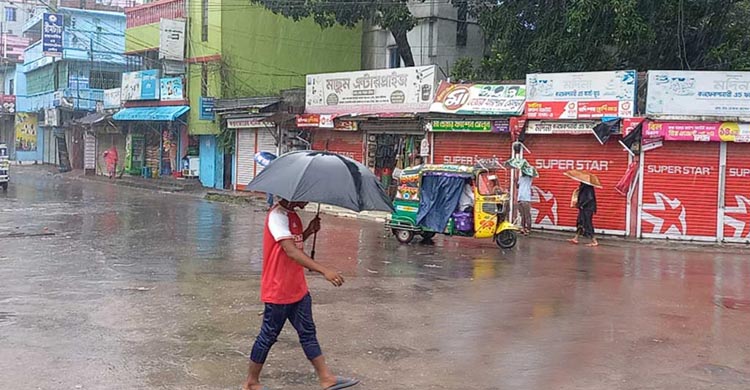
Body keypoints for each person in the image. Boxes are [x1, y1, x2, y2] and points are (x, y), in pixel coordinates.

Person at [242, 199, 359, 390]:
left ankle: (326, 378)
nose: (308, 200)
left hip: (297, 287)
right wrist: (324, 270)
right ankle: (251, 382)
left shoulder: (292, 216)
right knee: (268, 335)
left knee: (308, 333)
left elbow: (293, 245)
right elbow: (290, 252)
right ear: (292, 194)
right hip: (278, 289)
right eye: (304, 196)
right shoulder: (277, 216)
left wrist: (309, 232)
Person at [568, 183, 599, 247]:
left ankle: (594, 241)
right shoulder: (583, 186)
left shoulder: (588, 187)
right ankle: (576, 238)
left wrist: (582, 205)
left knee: (588, 224)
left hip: (588, 209)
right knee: (580, 222)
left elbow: (589, 198)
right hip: (584, 208)